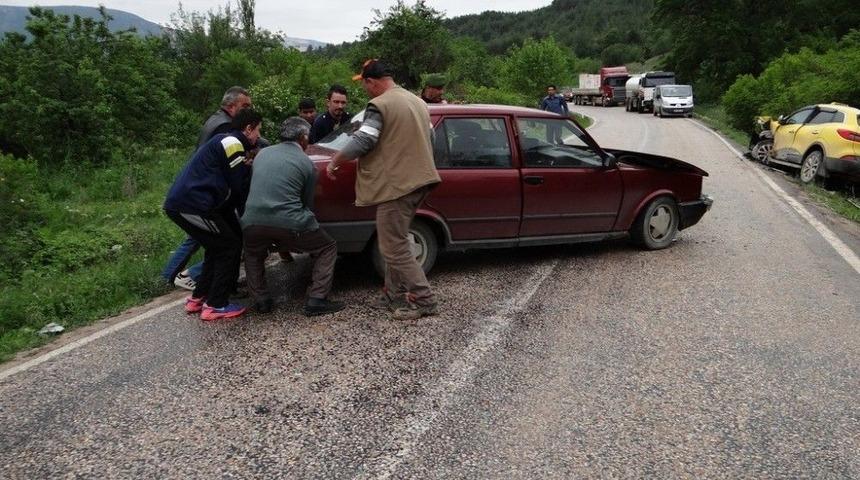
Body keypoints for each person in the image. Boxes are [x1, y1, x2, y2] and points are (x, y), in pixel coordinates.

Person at [327, 59, 441, 321]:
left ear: (371, 81)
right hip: (420, 180)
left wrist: (336, 160)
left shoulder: (380, 105)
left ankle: (424, 299)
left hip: (397, 185)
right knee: (396, 239)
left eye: (365, 84)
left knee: (392, 246)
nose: (366, 90)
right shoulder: (418, 102)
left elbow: (365, 139)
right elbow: (431, 139)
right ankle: (392, 294)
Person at [163, 108, 262, 321]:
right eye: (258, 131)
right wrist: (250, 169)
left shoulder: (224, 140)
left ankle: (199, 297)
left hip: (198, 204)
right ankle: (216, 305)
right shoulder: (233, 143)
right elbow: (237, 186)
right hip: (194, 205)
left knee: (219, 245)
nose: (259, 136)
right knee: (229, 246)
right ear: (248, 128)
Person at [241, 117, 344, 316]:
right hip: (289, 223)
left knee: (253, 254)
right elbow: (306, 206)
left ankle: (262, 301)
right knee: (327, 247)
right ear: (304, 137)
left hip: (251, 221)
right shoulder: (306, 163)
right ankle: (317, 299)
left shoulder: (262, 154)